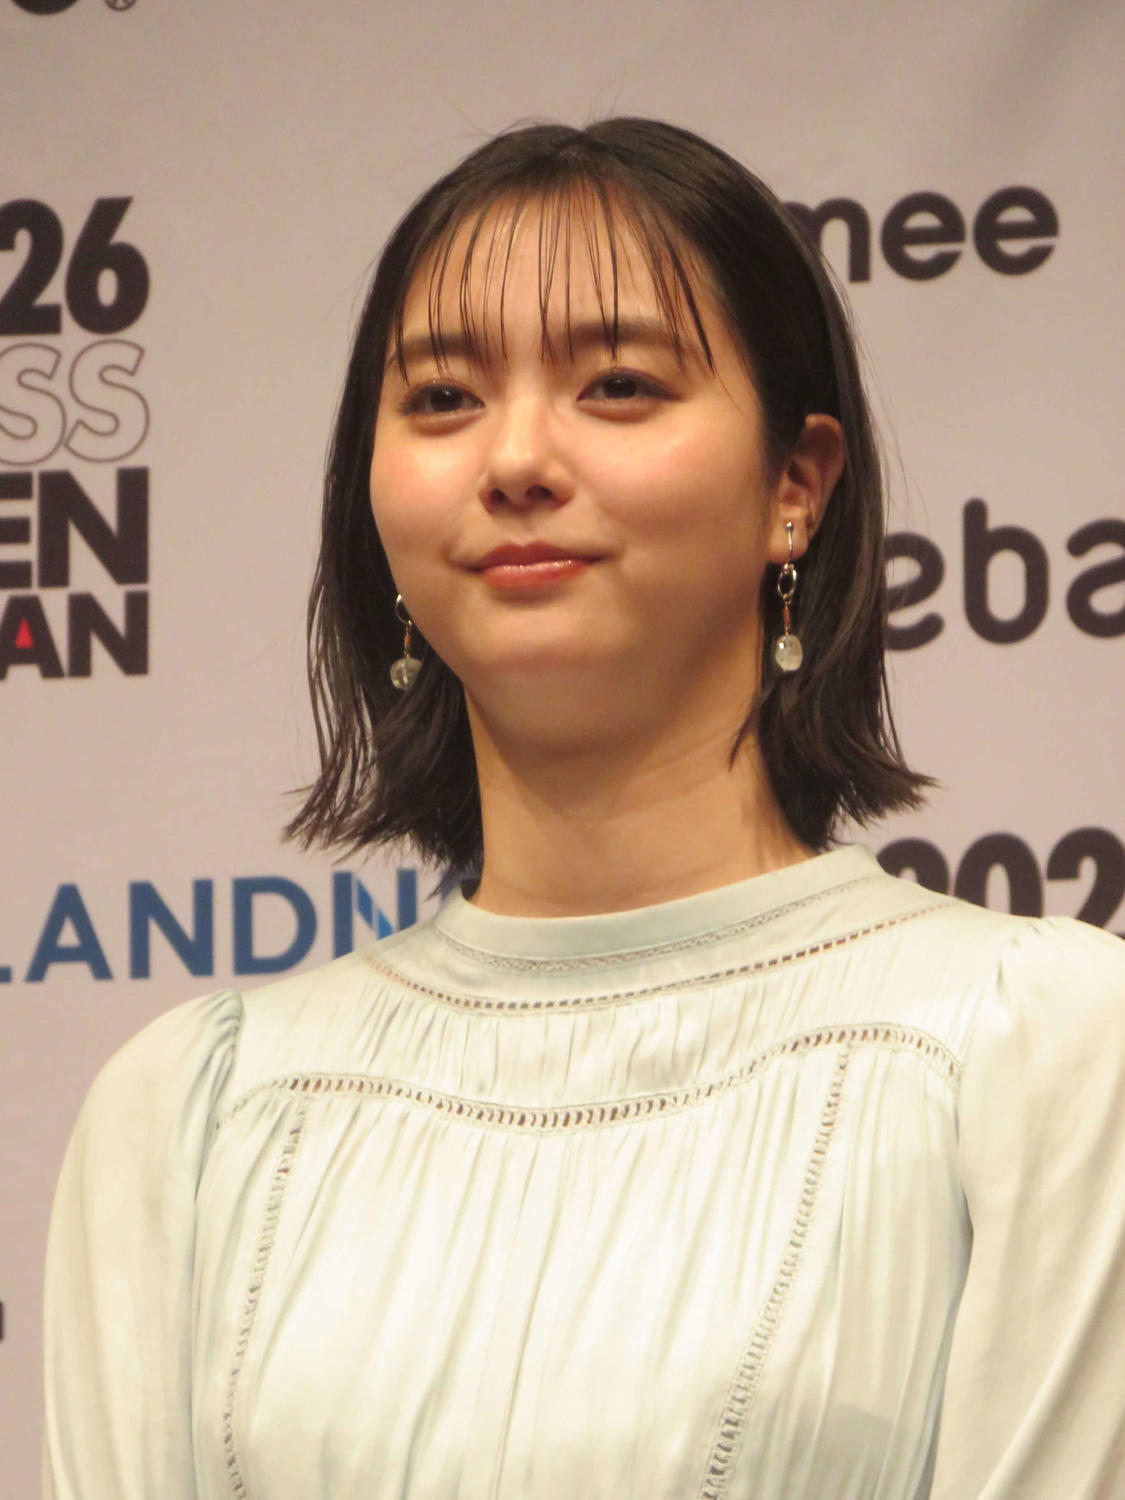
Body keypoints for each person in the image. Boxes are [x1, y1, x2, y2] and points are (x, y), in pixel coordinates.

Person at [42, 119, 1125, 1500]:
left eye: (617, 384)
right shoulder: (193, 1111)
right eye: (443, 398)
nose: (514, 459)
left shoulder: (1036, 1049)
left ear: (795, 488)